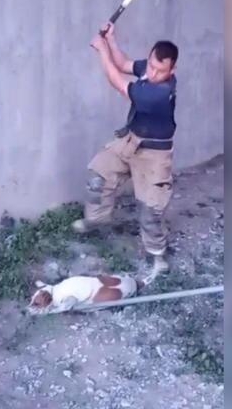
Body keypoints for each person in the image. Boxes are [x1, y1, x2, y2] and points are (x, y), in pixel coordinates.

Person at [72, 22, 179, 281]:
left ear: (172, 70)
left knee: (150, 209)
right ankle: (96, 219)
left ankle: (158, 256)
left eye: (160, 70)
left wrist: (101, 50)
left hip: (154, 153)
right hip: (130, 140)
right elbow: (124, 65)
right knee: (98, 175)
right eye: (151, 65)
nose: (152, 73)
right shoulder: (149, 70)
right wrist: (111, 40)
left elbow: (117, 82)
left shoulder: (160, 92)